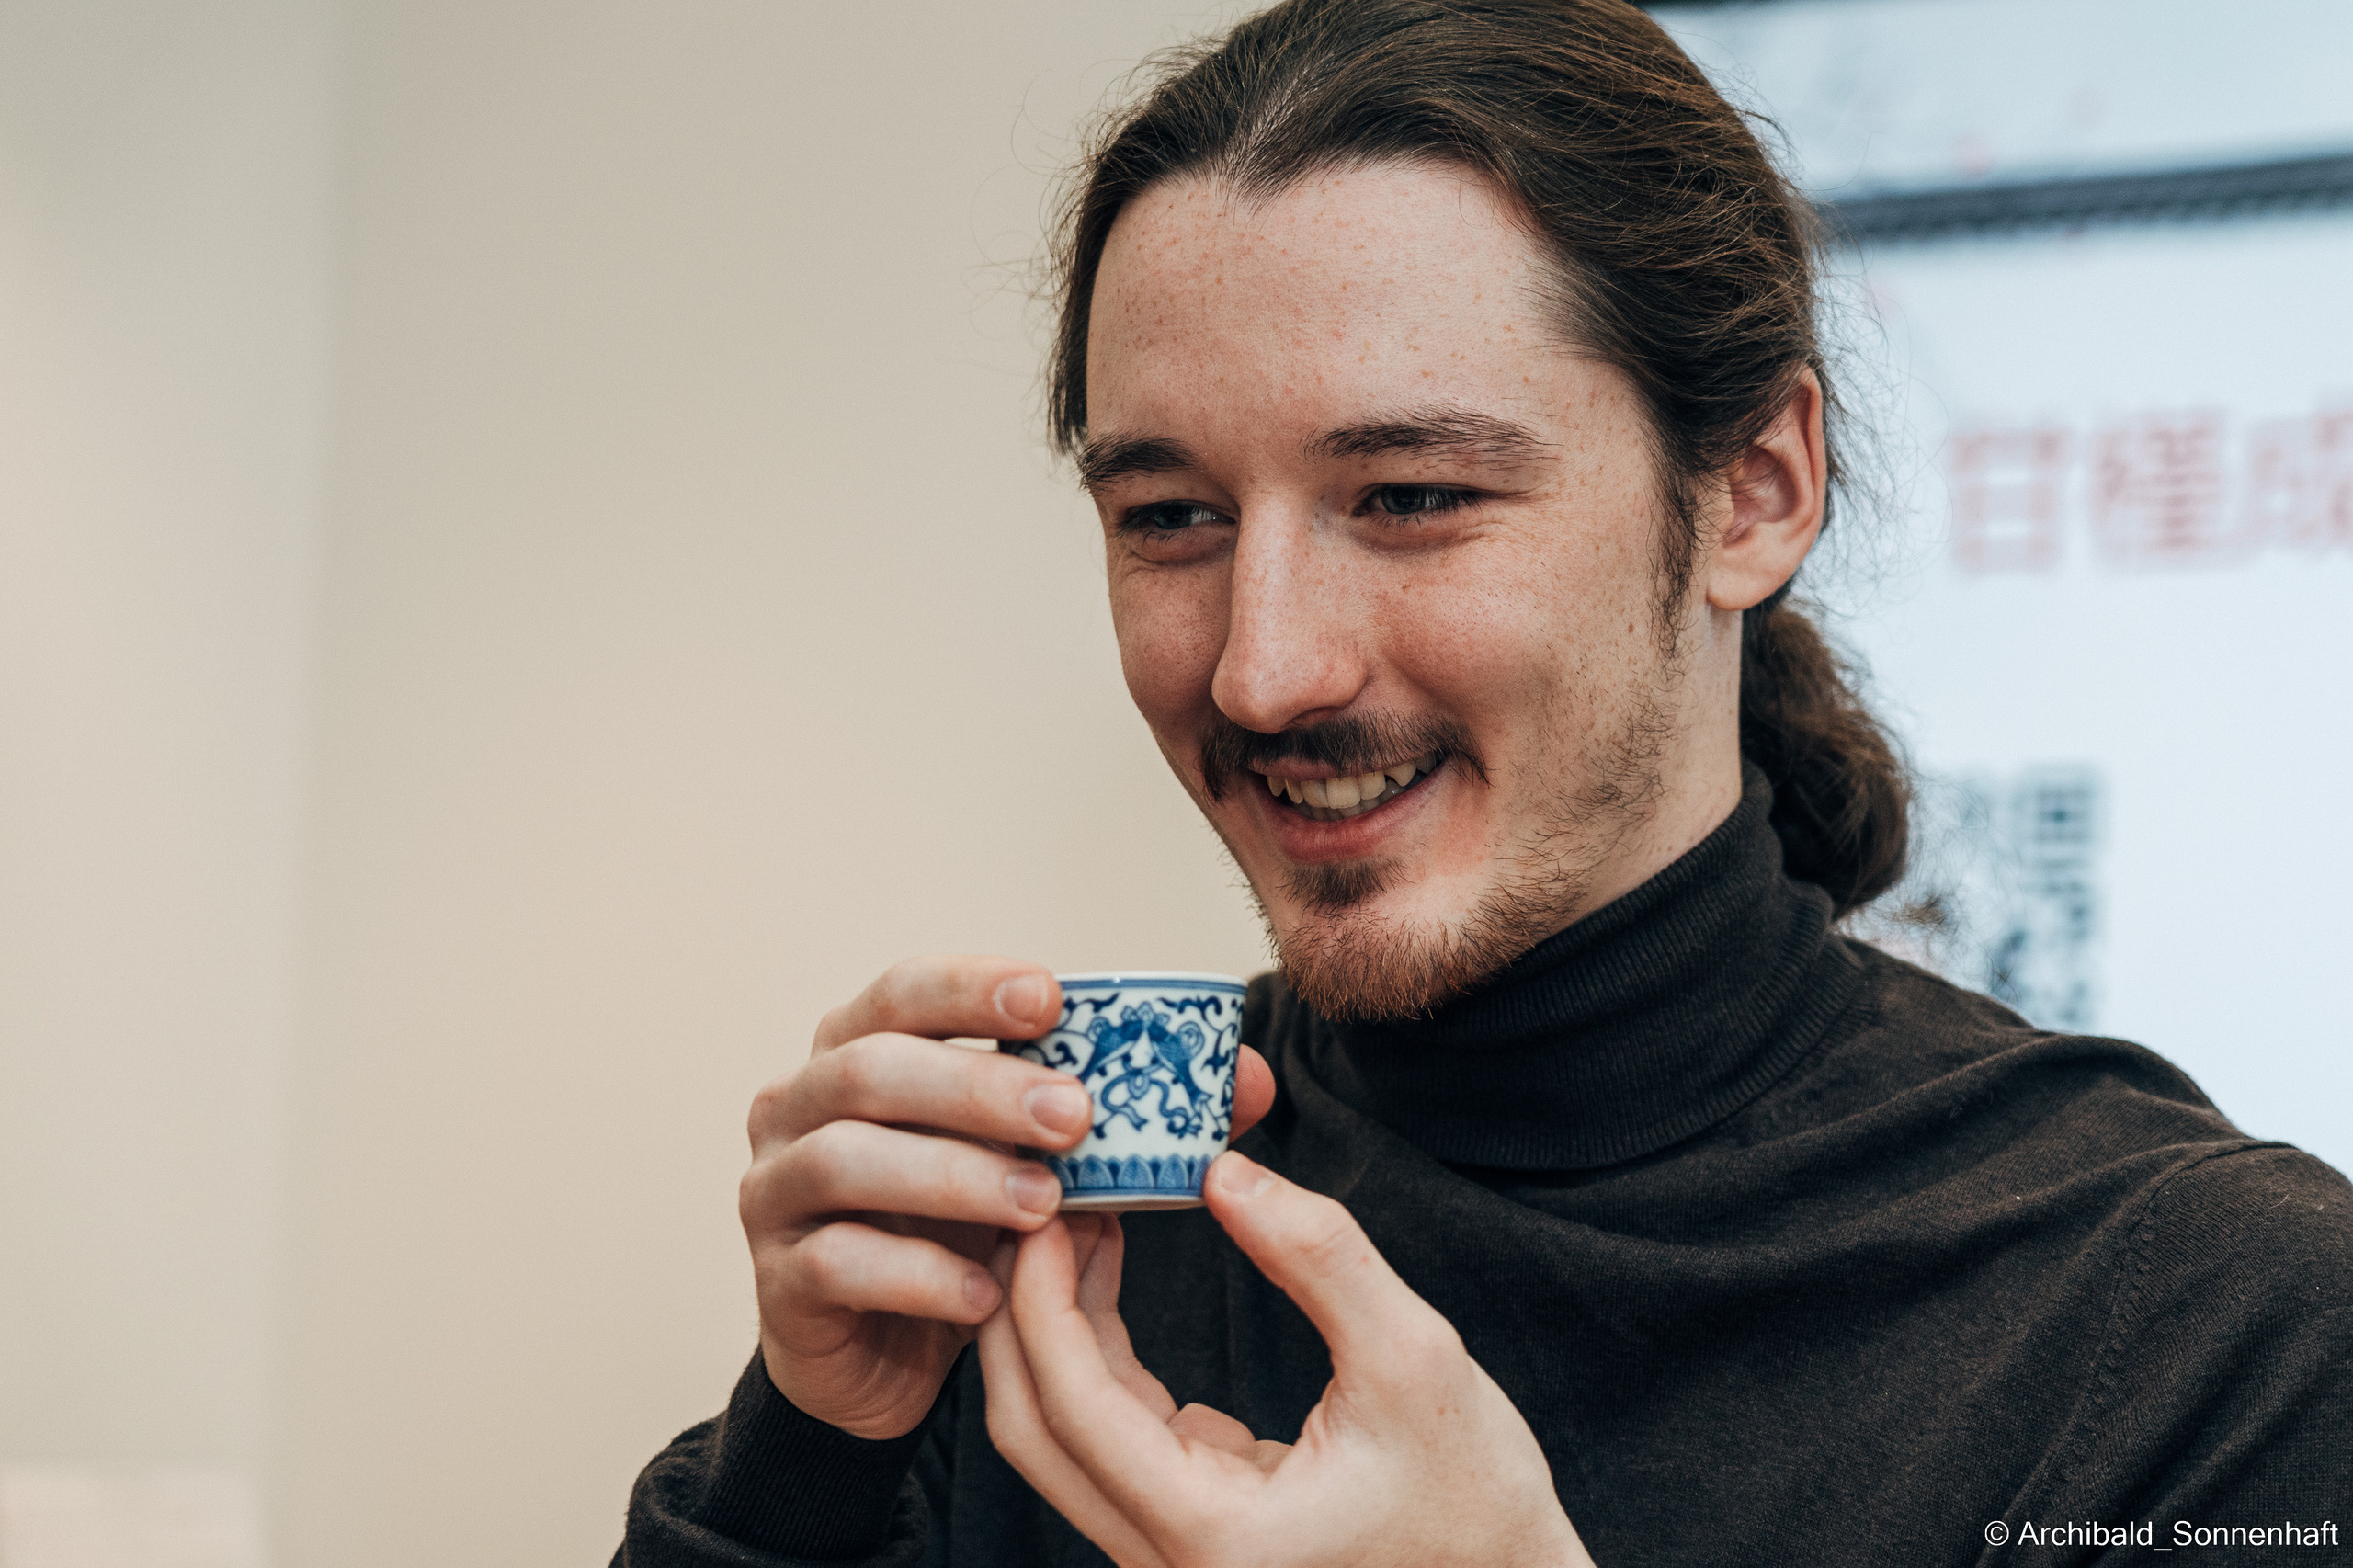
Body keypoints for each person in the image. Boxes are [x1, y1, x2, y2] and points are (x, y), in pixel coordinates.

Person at [615, 2, 2353, 1563]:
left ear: (1751, 492)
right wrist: (802, 1460)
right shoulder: (1058, 1256)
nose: (1261, 666)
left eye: (1416, 495)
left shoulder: (2211, 1326)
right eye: (1171, 519)